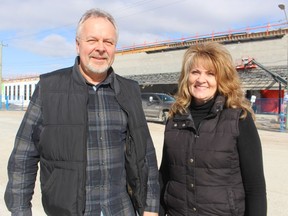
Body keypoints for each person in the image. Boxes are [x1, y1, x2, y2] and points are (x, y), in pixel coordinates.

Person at [5, 9, 160, 216]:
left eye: (108, 42)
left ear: (115, 48)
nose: (100, 48)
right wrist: (20, 210)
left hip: (121, 209)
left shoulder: (129, 91)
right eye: (92, 40)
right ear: (78, 45)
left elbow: (146, 154)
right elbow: (23, 157)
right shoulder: (49, 89)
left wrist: (150, 206)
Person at [159, 42, 267, 216]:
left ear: (222, 78)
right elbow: (165, 175)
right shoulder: (174, 119)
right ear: (187, 77)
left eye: (211, 74)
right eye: (195, 72)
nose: (201, 80)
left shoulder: (239, 119)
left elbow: (255, 188)